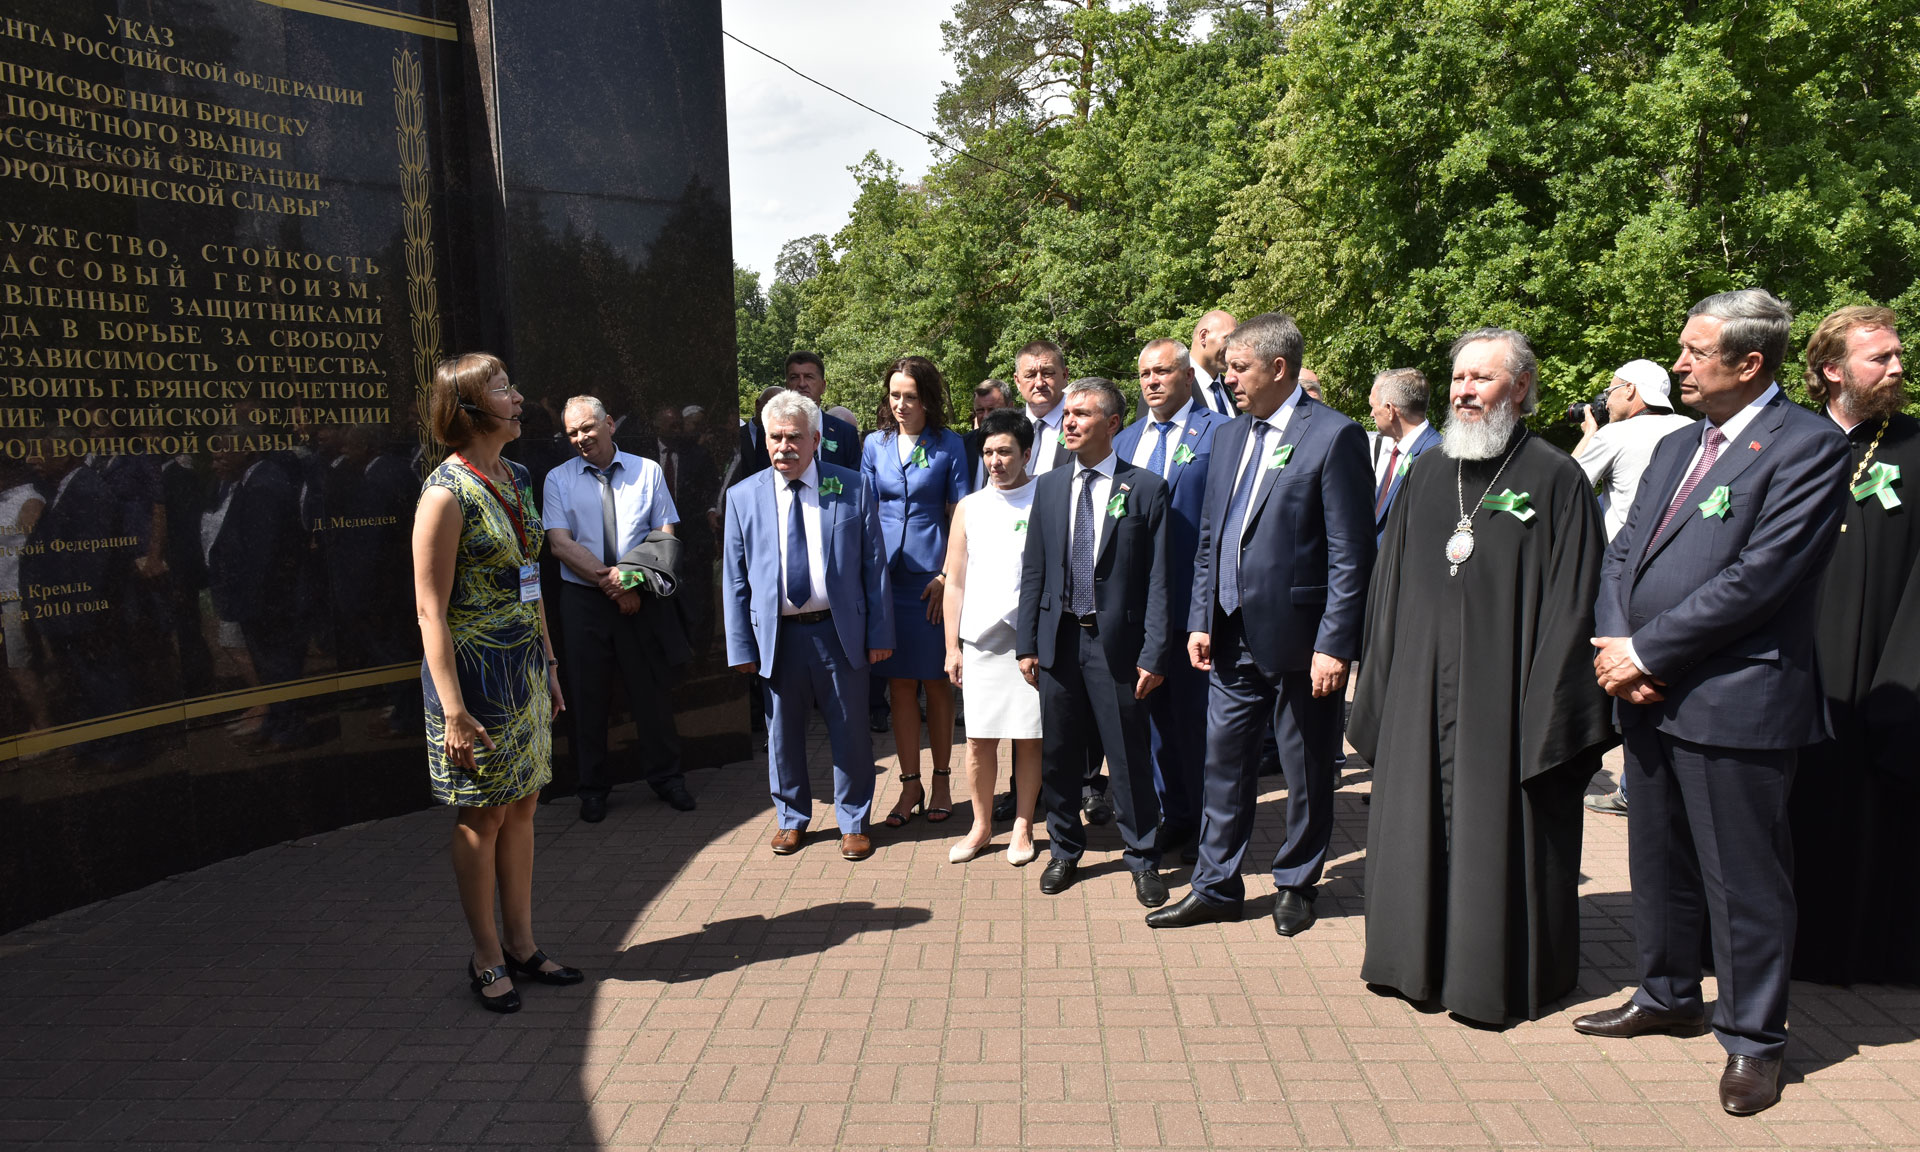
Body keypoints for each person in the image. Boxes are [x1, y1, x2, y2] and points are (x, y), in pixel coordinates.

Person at [1580, 290, 1850, 1116]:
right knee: (1658, 859)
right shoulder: (1676, 443)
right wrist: (1615, 642)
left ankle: (1754, 1039)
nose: (1680, 365)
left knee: (1743, 879)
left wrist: (1647, 653)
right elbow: (1623, 550)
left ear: (1750, 362)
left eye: (1696, 352)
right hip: (1646, 692)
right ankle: (1666, 994)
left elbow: (1761, 578)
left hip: (1736, 698)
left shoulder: (1808, 446)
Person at [1347, 327, 1614, 1023]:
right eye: (1459, 378)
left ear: (1520, 388)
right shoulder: (1428, 472)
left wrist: (1547, 714)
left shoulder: (1557, 478)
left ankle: (1486, 977)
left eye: (1482, 379)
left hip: (1507, 701)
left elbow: (1576, 603)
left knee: (1493, 835)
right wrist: (1380, 686)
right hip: (1418, 692)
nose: (1464, 392)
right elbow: (1388, 588)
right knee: (1414, 822)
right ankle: (1409, 962)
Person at [1146, 314, 1374, 936]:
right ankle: (1216, 886)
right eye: (1227, 367)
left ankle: (1296, 882)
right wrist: (1200, 617)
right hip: (1227, 635)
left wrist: (1335, 643)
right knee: (1223, 765)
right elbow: (1211, 538)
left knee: (1304, 769)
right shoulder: (1227, 436)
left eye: (1239, 367)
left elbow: (1351, 553)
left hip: (1302, 642)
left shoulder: (1334, 436)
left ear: (1278, 368)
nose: (1228, 377)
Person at [413, 352, 580, 1014]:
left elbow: (528, 580)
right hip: (473, 679)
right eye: (504, 389)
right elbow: (430, 610)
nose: (518, 398)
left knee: (524, 805)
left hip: (524, 668)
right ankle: (485, 956)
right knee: (482, 814)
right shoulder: (444, 494)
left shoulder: (517, 476)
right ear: (470, 409)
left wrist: (550, 663)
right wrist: (453, 710)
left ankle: (522, 944)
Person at [1789, 305, 1918, 986]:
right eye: (1880, 358)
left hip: (1879, 664)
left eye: (1898, 354)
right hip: (1786, 663)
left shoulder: (1914, 447)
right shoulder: (1786, 440)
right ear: (1831, 370)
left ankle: (1854, 951)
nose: (1898, 367)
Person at [1016, 376, 1172, 906]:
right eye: (1068, 415)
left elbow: (1159, 581)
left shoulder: (1145, 488)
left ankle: (1143, 858)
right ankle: (1064, 850)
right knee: (1059, 754)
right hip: (1058, 642)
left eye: (1082, 414)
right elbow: (1034, 569)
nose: (1070, 422)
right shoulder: (1050, 486)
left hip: (1118, 648)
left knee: (1128, 756)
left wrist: (1154, 652)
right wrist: (1026, 643)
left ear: (1112, 424)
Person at [723, 391, 895, 861]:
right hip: (777, 635)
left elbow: (874, 566)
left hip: (839, 633)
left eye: (794, 437)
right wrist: (741, 646)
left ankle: (854, 821)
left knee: (851, 731)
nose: (784, 447)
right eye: (775, 437)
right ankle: (791, 818)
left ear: (816, 440)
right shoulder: (743, 496)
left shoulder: (852, 486)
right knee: (782, 734)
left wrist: (880, 634)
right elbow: (735, 578)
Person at [542, 395, 696, 823]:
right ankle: (592, 789)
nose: (580, 438)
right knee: (586, 696)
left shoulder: (648, 471)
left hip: (641, 597)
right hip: (584, 602)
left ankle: (667, 779)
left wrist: (630, 580)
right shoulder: (557, 479)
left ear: (609, 423)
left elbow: (664, 533)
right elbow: (559, 543)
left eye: (587, 428)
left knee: (652, 693)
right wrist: (611, 583)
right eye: (572, 433)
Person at [1112, 338, 1229, 863]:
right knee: (1153, 722)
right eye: (1144, 374)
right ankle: (1173, 816)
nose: (1152, 382)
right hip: (1136, 610)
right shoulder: (1125, 440)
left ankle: (1210, 827)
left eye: (1161, 372)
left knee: (1197, 724)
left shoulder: (1220, 433)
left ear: (1186, 377)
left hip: (1192, 605)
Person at [1571, 358, 1695, 815]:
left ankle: (1634, 783)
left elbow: (1567, 484)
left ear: (1631, 391)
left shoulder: (1616, 434)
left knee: (1624, 674)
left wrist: (1590, 433)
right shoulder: (1694, 431)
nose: (1606, 398)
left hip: (1623, 575)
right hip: (1683, 574)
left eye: (1612, 388)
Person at [862, 356, 970, 828]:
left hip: (932, 579)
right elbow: (864, 511)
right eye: (894, 395)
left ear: (927, 398)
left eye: (910, 396)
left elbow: (962, 514)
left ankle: (942, 781)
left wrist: (947, 575)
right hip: (886, 579)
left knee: (936, 682)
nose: (901, 404)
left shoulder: (950, 444)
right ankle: (910, 785)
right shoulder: (874, 443)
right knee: (899, 683)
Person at [942, 408, 1043, 865]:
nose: (995, 461)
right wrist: (952, 646)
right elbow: (955, 580)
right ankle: (981, 826)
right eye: (987, 452)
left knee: (1029, 737)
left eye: (1004, 451)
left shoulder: (1046, 497)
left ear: (1026, 453)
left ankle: (1023, 825)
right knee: (979, 740)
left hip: (1028, 642)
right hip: (981, 639)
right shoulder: (970, 507)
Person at [734, 354, 862, 481]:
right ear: (786, 386)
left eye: (809, 377)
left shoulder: (845, 432)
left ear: (823, 386)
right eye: (794, 377)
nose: (802, 384)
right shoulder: (769, 431)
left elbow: (854, 482)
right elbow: (763, 480)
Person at [1367, 368, 1441, 537]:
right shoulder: (1396, 450)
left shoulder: (1435, 456)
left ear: (1390, 410)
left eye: (1373, 406)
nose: (1371, 414)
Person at [1015, 341, 1074, 476]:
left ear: (1065, 375)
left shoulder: (1087, 423)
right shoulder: (1006, 426)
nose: (1039, 383)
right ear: (1017, 381)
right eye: (1030, 375)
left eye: (1047, 373)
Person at [964, 379, 1014, 488]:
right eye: (980, 410)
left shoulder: (1023, 443)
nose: (986, 416)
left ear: (1010, 408)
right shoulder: (963, 445)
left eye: (992, 409)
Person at [1190, 309, 1239, 415]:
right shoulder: (1175, 386)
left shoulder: (1232, 387)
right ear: (1203, 337)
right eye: (1228, 339)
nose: (1234, 347)